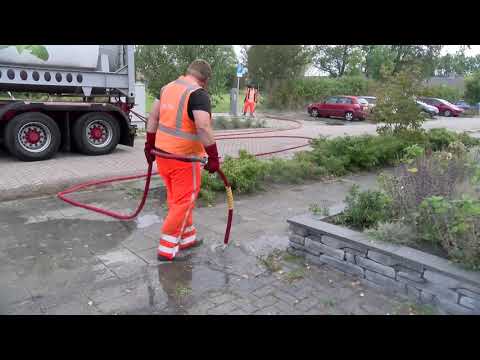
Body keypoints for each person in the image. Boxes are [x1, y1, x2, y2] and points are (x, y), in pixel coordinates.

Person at [144, 59, 220, 261]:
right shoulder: (198, 94)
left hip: (163, 156)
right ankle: (166, 250)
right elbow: (203, 127)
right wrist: (213, 156)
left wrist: (149, 144)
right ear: (205, 79)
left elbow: (153, 117)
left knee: (177, 200)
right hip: (184, 159)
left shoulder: (167, 88)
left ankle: (187, 239)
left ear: (188, 72)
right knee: (183, 203)